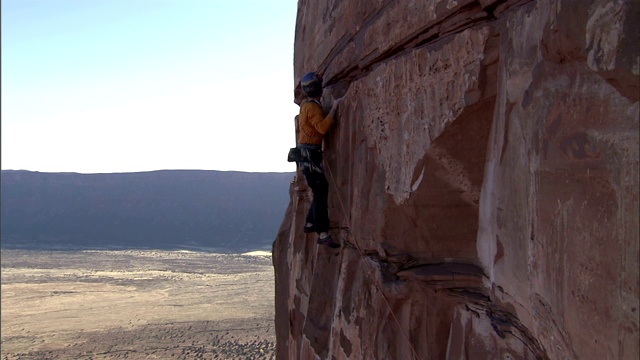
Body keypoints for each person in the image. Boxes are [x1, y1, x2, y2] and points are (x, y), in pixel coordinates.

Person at [297, 71, 340, 249]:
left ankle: (309, 223)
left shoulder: (306, 105)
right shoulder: (313, 108)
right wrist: (334, 109)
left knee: (319, 190)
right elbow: (322, 128)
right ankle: (322, 234)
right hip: (310, 155)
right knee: (321, 192)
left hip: (306, 154)